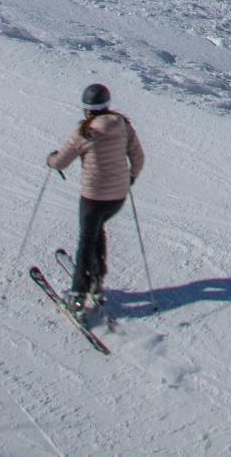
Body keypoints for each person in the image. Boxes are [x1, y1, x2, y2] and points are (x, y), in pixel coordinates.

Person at [47, 83, 144, 313]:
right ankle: (97, 283)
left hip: (93, 197)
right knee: (97, 231)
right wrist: (130, 178)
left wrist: (50, 159)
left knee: (86, 241)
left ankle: (79, 293)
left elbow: (61, 162)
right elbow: (138, 158)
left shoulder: (85, 132)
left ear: (87, 109)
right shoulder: (123, 126)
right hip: (118, 197)